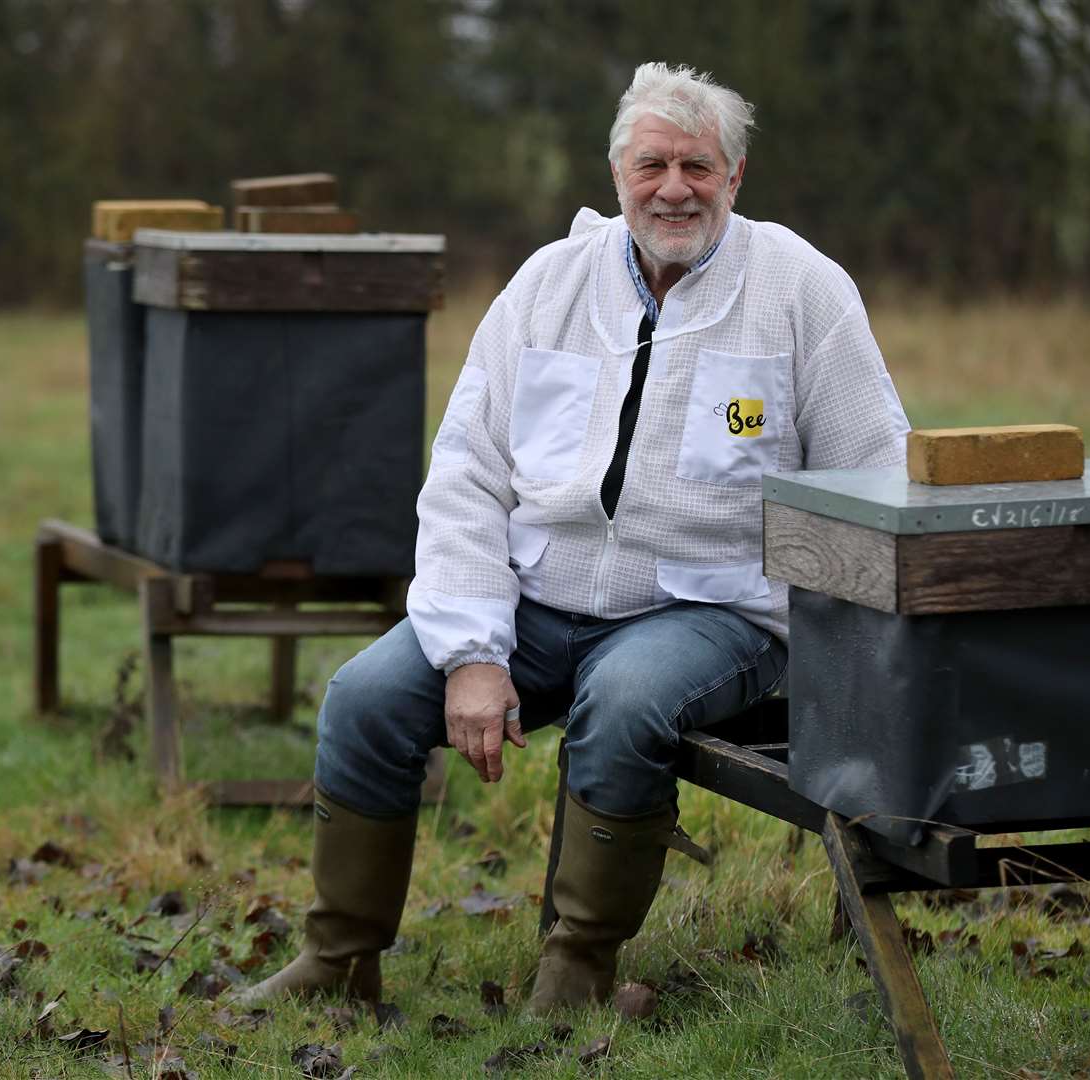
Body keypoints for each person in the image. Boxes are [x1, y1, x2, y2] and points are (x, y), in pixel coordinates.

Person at [236, 61, 909, 1012]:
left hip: (710, 607)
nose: (673, 188)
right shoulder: (548, 285)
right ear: (616, 175)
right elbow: (467, 469)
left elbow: (873, 473)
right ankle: (339, 963)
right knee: (365, 699)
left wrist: (856, 658)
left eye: (696, 166)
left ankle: (577, 973)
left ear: (736, 176)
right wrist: (473, 648)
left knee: (628, 698)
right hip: (535, 597)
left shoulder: (802, 290)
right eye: (651, 166)